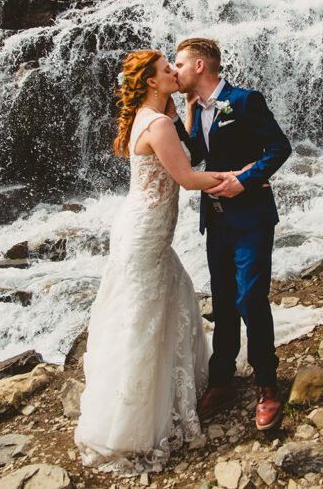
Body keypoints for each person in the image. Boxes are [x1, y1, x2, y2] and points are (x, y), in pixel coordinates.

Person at [74, 50, 227, 475]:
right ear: (150, 82)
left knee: (158, 301)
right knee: (142, 314)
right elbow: (188, 177)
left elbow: (181, 157)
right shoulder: (158, 124)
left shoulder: (149, 117)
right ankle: (133, 423)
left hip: (141, 228)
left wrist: (189, 119)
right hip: (145, 233)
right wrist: (242, 176)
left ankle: (157, 394)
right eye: (166, 70)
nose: (174, 73)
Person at [172, 37, 292, 431]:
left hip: (251, 217)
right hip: (217, 221)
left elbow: (279, 148)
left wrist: (246, 180)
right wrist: (181, 117)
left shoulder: (243, 101)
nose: (175, 71)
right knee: (223, 302)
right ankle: (222, 380)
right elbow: (195, 155)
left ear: (200, 67)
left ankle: (266, 384)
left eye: (179, 64)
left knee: (251, 298)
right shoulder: (197, 107)